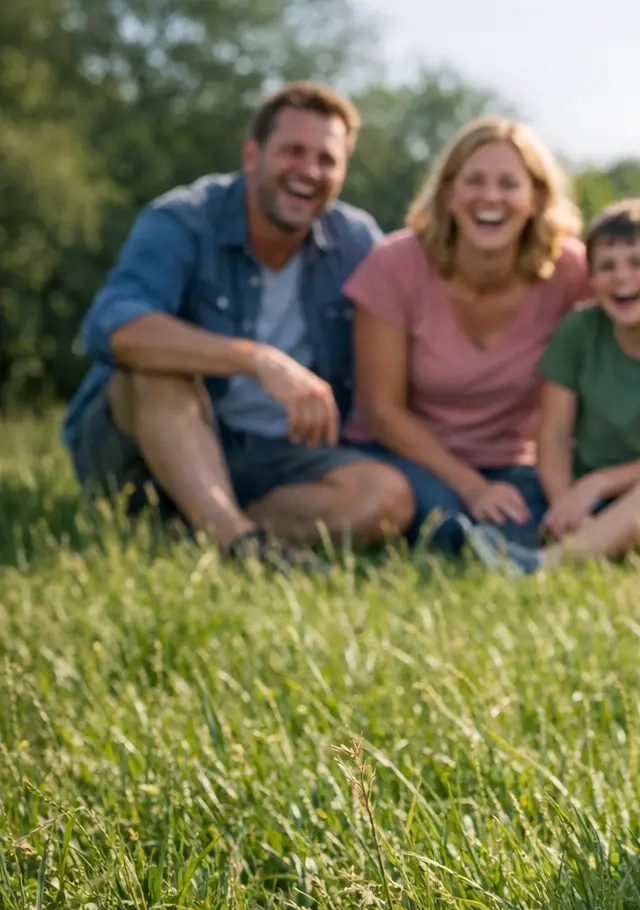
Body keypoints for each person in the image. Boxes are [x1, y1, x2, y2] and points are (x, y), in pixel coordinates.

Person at [58, 81, 414, 562]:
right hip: (154, 439)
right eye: (293, 152)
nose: (309, 172)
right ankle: (237, 543)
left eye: (327, 160)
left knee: (388, 497)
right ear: (252, 155)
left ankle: (206, 529)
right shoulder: (185, 220)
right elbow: (116, 328)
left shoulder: (356, 242)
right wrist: (257, 360)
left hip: (273, 456)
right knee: (158, 369)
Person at [340, 116, 588, 553]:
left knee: (531, 525)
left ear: (536, 199)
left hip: (513, 464)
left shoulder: (570, 270)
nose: (490, 197)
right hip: (408, 457)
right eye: (474, 181)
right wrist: (472, 487)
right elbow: (382, 411)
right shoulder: (394, 263)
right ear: (448, 194)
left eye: (509, 184)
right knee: (444, 526)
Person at [459, 198, 640, 572]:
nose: (621, 276)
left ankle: (543, 565)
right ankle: (589, 542)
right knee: (503, 509)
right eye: (606, 266)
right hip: (575, 487)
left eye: (638, 263)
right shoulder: (581, 329)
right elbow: (554, 433)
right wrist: (566, 504)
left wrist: (599, 483)